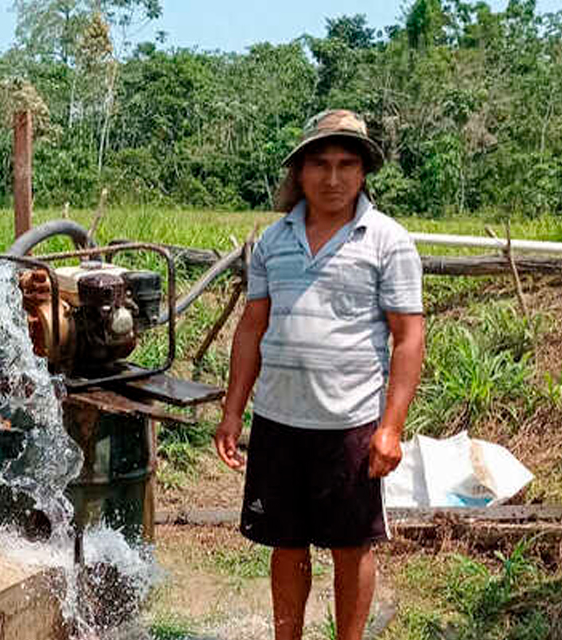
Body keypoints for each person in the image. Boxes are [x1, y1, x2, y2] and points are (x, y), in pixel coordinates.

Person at [213, 110, 425, 640]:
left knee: (351, 545)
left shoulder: (386, 240)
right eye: (321, 164)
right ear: (300, 172)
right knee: (286, 544)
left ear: (363, 173)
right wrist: (233, 412)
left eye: (347, 165)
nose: (333, 178)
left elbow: (408, 337)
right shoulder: (274, 241)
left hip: (349, 423)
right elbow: (250, 329)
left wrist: (391, 428)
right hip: (279, 421)